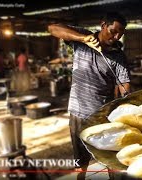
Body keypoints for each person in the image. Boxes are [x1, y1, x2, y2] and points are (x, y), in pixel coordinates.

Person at [48, 12, 130, 180]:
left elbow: (124, 85)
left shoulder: (118, 55)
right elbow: (53, 28)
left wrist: (127, 101)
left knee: (110, 159)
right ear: (103, 25)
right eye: (113, 31)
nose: (116, 37)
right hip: (78, 113)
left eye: (120, 34)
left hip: (103, 116)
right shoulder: (83, 38)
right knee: (80, 161)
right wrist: (82, 39)